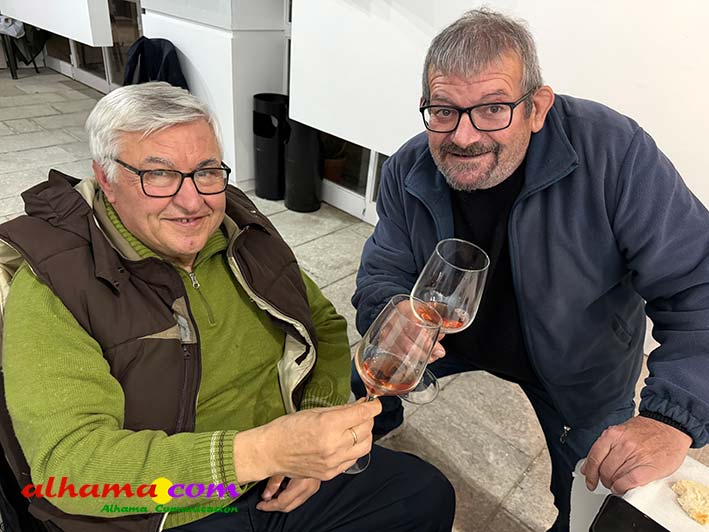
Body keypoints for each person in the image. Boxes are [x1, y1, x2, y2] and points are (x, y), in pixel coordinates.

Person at [0, 82, 455, 532]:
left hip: (281, 470)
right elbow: (69, 468)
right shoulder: (54, 285)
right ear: (106, 179)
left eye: (206, 171)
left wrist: (312, 429)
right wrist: (260, 453)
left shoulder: (241, 229)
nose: (192, 201)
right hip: (166, 512)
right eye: (159, 175)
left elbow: (323, 325)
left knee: (425, 495)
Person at [351, 8, 709, 532]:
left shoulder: (614, 153)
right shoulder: (410, 167)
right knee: (366, 370)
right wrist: (392, 311)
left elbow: (698, 282)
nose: (464, 136)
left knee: (599, 495)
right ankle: (360, 447)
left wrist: (671, 417)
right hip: (450, 337)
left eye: (493, 108)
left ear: (537, 107)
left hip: (578, 366)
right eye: (444, 110)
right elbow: (383, 265)